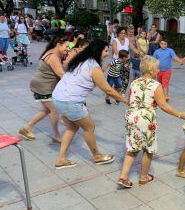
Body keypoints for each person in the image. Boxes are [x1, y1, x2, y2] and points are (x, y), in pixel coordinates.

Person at [52, 39, 127, 169]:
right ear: (97, 51)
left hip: (58, 98)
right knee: (89, 127)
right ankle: (96, 156)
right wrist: (126, 100)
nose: (107, 54)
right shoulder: (93, 67)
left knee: (72, 127)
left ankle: (61, 159)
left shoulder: (81, 61)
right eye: (105, 51)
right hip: (71, 101)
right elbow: (108, 89)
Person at [117, 56, 185, 188]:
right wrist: (180, 114)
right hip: (146, 119)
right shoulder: (156, 85)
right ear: (151, 70)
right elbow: (163, 106)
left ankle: (123, 176)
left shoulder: (134, 83)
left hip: (132, 116)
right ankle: (143, 176)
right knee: (148, 149)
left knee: (132, 147)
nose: (158, 70)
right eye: (157, 67)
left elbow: (129, 100)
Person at [19, 36, 68, 143]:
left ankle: (27, 128)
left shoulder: (51, 52)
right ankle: (55, 135)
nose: (67, 49)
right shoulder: (53, 56)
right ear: (59, 44)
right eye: (66, 46)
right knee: (54, 110)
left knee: (47, 110)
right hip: (43, 87)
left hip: (41, 85)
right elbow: (61, 74)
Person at [111, 27, 131, 95]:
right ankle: (115, 92)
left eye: (124, 33)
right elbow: (116, 51)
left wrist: (139, 52)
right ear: (118, 33)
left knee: (126, 78)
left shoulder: (127, 40)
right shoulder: (115, 40)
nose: (123, 34)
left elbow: (132, 47)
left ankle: (122, 92)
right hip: (118, 61)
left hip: (126, 61)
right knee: (117, 77)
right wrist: (120, 59)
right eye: (121, 33)